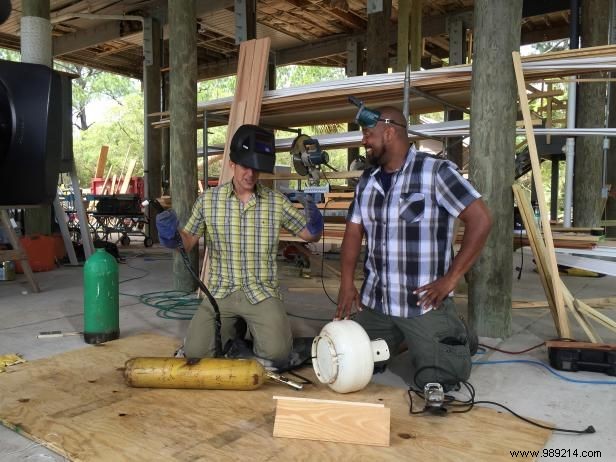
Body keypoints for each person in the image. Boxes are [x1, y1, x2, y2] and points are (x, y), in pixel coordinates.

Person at [336, 106, 492, 391]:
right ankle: (407, 337)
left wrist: (451, 278)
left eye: (369, 135)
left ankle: (454, 333)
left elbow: (481, 220)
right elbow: (353, 232)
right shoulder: (366, 182)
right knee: (347, 361)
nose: (364, 141)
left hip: (421, 302)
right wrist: (347, 283)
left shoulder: (436, 172)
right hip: (377, 302)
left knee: (440, 379)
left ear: (390, 132)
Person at [157, 124, 323, 363]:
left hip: (261, 292)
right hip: (220, 292)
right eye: (245, 166)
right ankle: (235, 332)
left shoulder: (275, 201)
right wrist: (171, 237)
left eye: (257, 169)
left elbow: (309, 235)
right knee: (195, 353)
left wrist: (315, 225)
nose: (250, 175)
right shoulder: (209, 201)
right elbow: (188, 242)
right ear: (232, 164)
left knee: (277, 354)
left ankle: (244, 333)